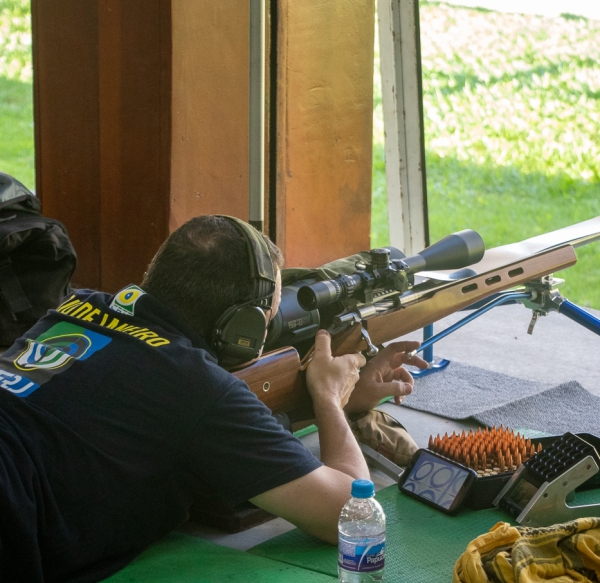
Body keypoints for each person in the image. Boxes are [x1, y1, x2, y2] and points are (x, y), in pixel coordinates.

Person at [0, 215, 427, 582]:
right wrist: (329, 399)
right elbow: (348, 513)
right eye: (268, 320)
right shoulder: (194, 386)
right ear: (241, 329)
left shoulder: (78, 308)